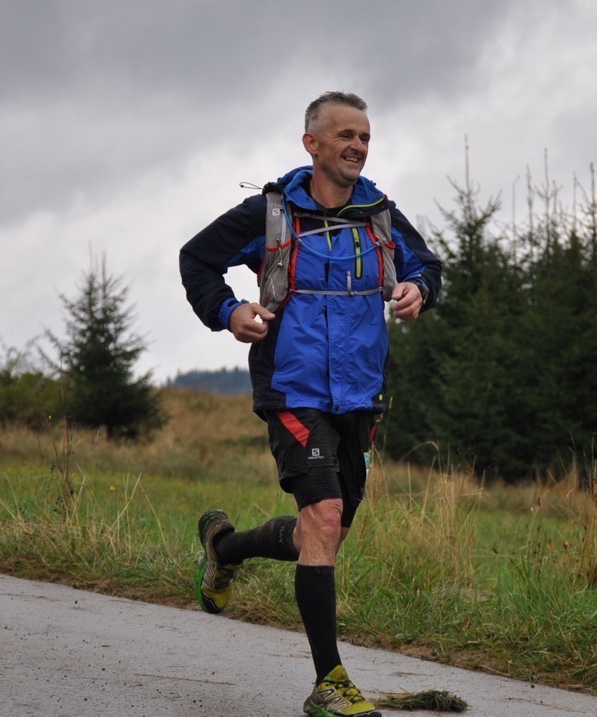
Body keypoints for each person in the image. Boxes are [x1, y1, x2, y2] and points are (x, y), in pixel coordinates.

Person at [178, 91, 442, 717]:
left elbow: (427, 266)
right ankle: (330, 683)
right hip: (292, 389)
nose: (358, 146)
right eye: (346, 135)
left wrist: (418, 290)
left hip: (360, 396)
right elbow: (197, 260)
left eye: (365, 137)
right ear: (312, 144)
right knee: (323, 517)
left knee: (320, 535)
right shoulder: (270, 214)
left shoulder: (379, 215)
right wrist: (228, 311)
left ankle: (224, 549)